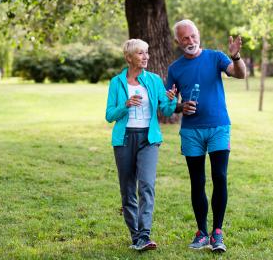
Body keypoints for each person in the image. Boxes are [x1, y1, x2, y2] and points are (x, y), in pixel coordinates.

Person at [166, 19, 246, 253]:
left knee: (219, 176)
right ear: (177, 42)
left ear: (198, 34)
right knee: (197, 181)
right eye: (184, 38)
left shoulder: (216, 57)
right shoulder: (175, 68)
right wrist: (181, 106)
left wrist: (236, 57)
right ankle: (202, 232)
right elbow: (169, 105)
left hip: (219, 126)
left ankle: (217, 232)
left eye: (192, 36)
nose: (190, 41)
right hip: (191, 131)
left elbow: (239, 74)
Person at [105, 39, 177, 251]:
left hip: (148, 139)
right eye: (140, 53)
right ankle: (135, 236)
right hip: (124, 139)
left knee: (146, 185)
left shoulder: (154, 80)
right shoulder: (117, 82)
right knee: (128, 190)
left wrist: (171, 99)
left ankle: (144, 235)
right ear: (129, 58)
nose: (146, 57)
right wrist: (125, 105)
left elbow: (165, 110)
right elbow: (109, 115)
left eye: (146, 53)